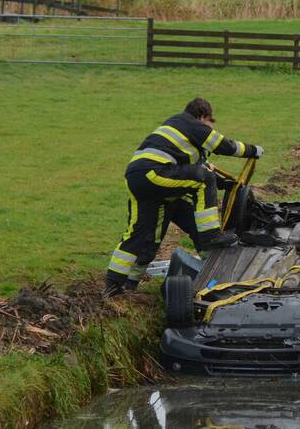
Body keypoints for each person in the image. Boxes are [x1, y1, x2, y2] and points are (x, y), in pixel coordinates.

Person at [105, 98, 262, 296]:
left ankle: (119, 285)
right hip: (156, 174)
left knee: (141, 235)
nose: (210, 128)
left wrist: (226, 184)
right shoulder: (191, 123)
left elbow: (187, 173)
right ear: (202, 115)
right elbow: (225, 146)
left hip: (138, 179)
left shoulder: (176, 134)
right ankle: (210, 236)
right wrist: (254, 150)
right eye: (210, 122)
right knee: (204, 182)